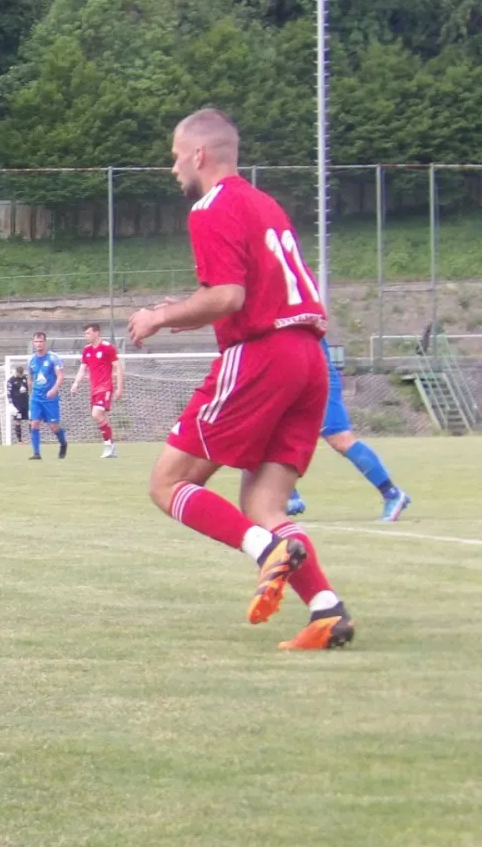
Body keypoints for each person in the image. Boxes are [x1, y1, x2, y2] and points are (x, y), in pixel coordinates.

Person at [128, 108, 352, 651]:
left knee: (167, 483)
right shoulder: (265, 204)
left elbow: (229, 296)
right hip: (310, 358)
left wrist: (159, 316)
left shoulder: (212, 206)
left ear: (199, 154)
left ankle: (264, 551)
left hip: (263, 355)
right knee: (266, 506)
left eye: (176, 156)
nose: (174, 167)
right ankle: (327, 609)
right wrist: (190, 313)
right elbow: (242, 293)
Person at [286, 345, 413, 520]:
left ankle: (392, 493)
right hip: (288, 377)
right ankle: (287, 496)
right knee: (273, 434)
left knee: (340, 439)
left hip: (317, 376)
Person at [70, 322, 124, 458]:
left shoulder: (108, 348)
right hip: (94, 389)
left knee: (96, 414)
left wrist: (119, 388)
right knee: (103, 417)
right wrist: (76, 383)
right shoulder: (87, 350)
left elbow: (118, 368)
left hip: (105, 388)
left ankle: (108, 446)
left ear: (96, 333)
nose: (86, 336)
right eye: (85, 333)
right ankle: (111, 447)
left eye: (88, 333)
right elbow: (82, 369)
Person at [26, 331, 68, 459]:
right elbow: (30, 378)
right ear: (33, 343)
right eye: (36, 341)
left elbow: (60, 375)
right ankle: (36, 453)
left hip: (50, 398)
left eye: (41, 341)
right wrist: (30, 394)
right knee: (34, 423)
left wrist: (54, 389)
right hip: (36, 398)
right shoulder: (31, 359)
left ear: (45, 342)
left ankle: (63, 443)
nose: (38, 344)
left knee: (54, 426)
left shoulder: (53, 358)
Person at [7, 364, 30, 445]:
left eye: (20, 374)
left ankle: (32, 438)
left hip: (26, 403)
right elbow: (8, 392)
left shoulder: (25, 379)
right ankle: (20, 441)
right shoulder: (11, 381)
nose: (19, 375)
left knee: (31, 419)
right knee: (18, 421)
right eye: (18, 373)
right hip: (17, 405)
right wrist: (11, 404)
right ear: (16, 372)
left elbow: (29, 388)